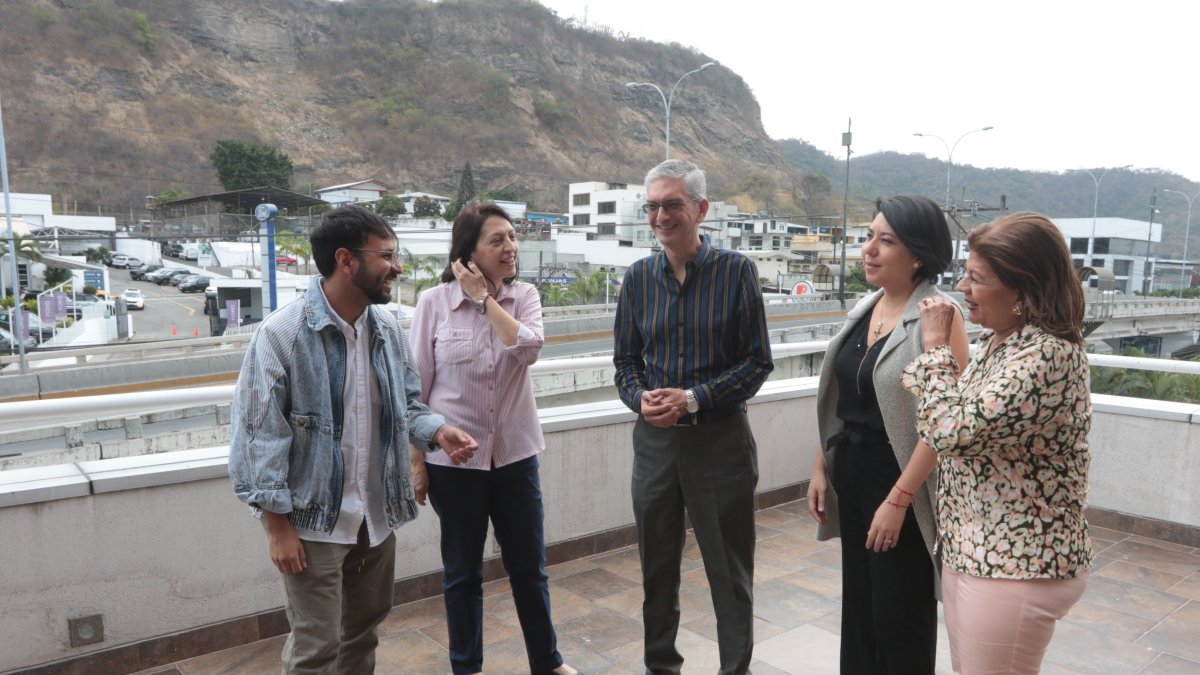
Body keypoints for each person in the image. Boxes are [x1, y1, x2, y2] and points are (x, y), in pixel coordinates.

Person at [228, 204, 479, 674]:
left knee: (362, 635)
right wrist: (276, 526)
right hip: (313, 520)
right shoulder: (283, 334)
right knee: (316, 647)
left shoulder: (386, 328)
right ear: (346, 261)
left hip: (375, 516)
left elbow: (409, 406)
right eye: (386, 255)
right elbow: (257, 437)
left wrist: (438, 431)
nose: (398, 267)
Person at [903, 212, 1094, 674]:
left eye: (977, 278)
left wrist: (934, 347)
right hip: (980, 552)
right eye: (965, 273)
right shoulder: (1002, 343)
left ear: (1022, 290)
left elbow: (951, 431)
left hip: (1017, 562)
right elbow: (938, 408)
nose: (962, 287)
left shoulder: (1046, 354)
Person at [613, 159, 774, 675]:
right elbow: (625, 363)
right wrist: (640, 399)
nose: (661, 216)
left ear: (701, 209)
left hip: (720, 445)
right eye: (653, 206)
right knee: (656, 573)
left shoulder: (737, 272)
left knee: (729, 575)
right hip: (655, 447)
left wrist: (694, 397)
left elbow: (757, 362)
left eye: (673, 205)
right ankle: (661, 667)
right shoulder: (638, 279)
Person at [409, 204, 576, 675]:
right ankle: (467, 668)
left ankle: (547, 661)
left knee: (529, 567)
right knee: (463, 573)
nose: (511, 248)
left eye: (512, 237)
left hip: (515, 457)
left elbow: (528, 350)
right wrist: (417, 461)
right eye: (497, 240)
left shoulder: (523, 296)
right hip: (454, 465)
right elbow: (415, 391)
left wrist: (485, 301)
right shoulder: (432, 303)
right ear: (468, 253)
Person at [808, 195, 968, 674]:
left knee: (899, 616)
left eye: (886, 240)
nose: (869, 249)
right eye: (869, 236)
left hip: (900, 482)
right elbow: (844, 398)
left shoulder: (940, 315)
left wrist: (898, 501)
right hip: (852, 475)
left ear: (918, 253)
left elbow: (942, 422)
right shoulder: (867, 305)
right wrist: (820, 467)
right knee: (859, 607)